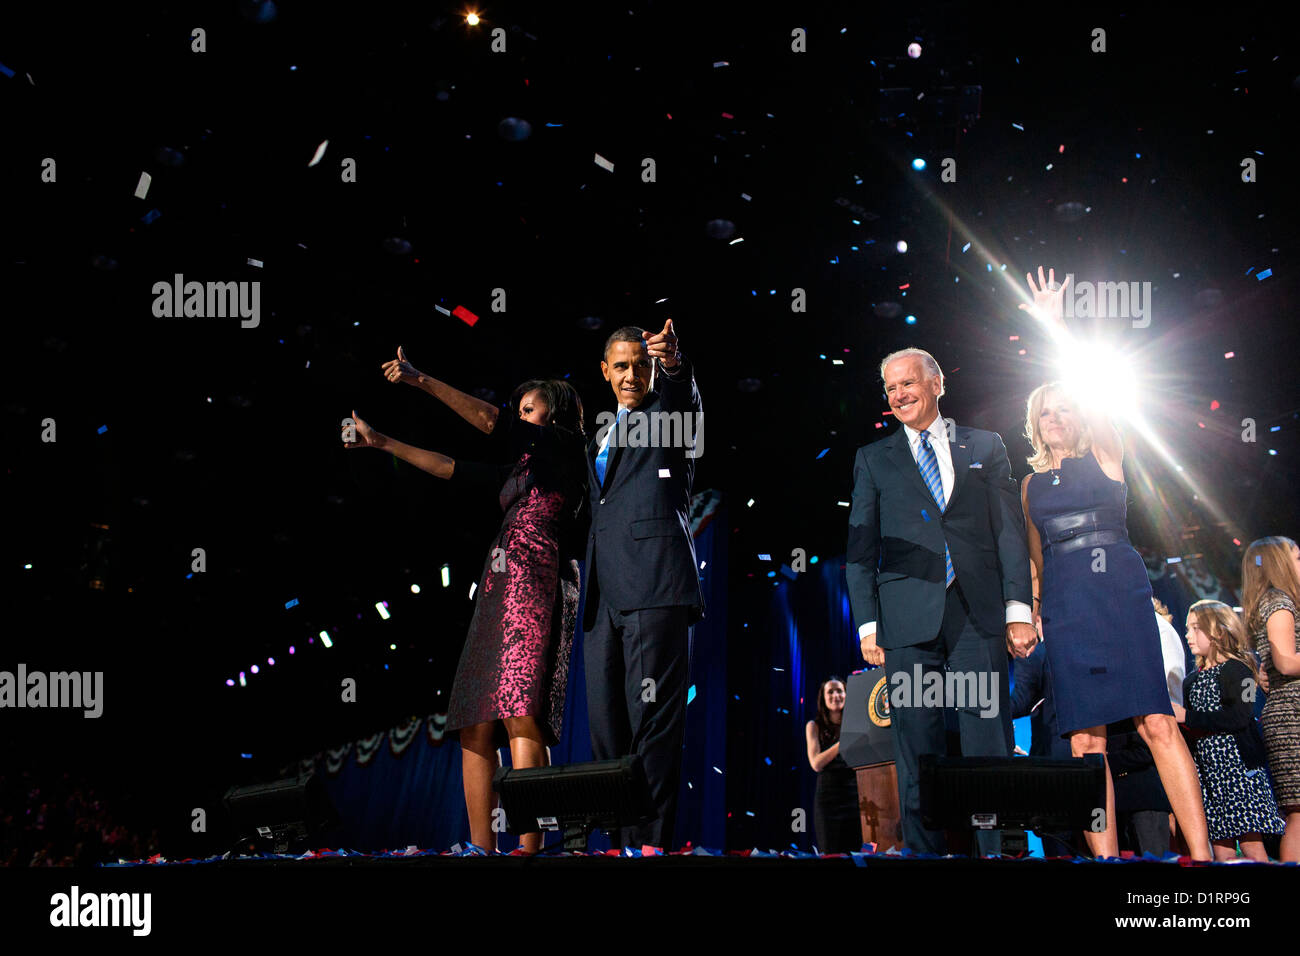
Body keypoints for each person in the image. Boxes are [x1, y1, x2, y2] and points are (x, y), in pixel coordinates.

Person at [343, 347, 589, 854]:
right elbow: (448, 467)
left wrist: (420, 380)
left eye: (529, 408)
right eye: (518, 409)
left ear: (555, 412)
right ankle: (482, 849)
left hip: (538, 574)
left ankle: (530, 844)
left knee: (521, 709)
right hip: (500, 582)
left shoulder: (564, 445)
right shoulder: (519, 467)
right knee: (476, 717)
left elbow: (487, 420)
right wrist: (380, 441)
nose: (520, 415)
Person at [1018, 265, 1211, 860]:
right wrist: (1037, 613)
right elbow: (1035, 562)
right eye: (1046, 411)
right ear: (1035, 422)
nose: (1056, 417)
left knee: (1156, 721)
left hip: (1118, 590)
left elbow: (1095, 392)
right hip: (1068, 606)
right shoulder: (1028, 485)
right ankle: (1105, 862)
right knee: (1083, 740)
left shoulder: (1106, 451)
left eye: (1065, 408)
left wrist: (1056, 329)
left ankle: (1202, 859)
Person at [847, 346, 1038, 856]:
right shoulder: (873, 458)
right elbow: (860, 552)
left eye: (908, 383)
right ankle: (924, 857)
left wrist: (1019, 610)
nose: (899, 395)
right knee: (916, 748)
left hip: (977, 615)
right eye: (890, 388)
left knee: (987, 744)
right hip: (907, 621)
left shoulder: (986, 445)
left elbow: (1009, 534)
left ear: (936, 385)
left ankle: (993, 852)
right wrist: (868, 626)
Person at [583, 319, 704, 851]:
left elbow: (683, 397)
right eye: (622, 365)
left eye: (642, 363)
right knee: (607, 728)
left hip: (656, 585)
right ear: (605, 371)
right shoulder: (598, 433)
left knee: (653, 726)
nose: (633, 374)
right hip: (601, 598)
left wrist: (676, 365)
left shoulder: (668, 417)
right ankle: (616, 842)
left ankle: (649, 847)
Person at [1175, 599, 1284, 861]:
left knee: (1250, 846)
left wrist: (1186, 715)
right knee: (1221, 849)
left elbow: (1239, 717)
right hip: (1209, 772)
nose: (1188, 635)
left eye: (1195, 628)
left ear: (1217, 631)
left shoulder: (1239, 670)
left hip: (1238, 770)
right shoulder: (1192, 680)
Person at [1241, 536, 1300, 861]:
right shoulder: (1279, 603)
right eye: (1298, 557)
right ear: (1280, 562)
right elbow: (1286, 661)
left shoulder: (1274, 602)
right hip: (1293, 715)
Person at [805, 677, 862, 853]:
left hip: (854, 795)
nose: (835, 695)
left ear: (846, 695)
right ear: (823, 698)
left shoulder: (856, 724)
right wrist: (842, 743)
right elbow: (816, 763)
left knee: (856, 852)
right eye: (830, 691)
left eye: (839, 691)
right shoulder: (814, 726)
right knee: (831, 852)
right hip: (828, 799)